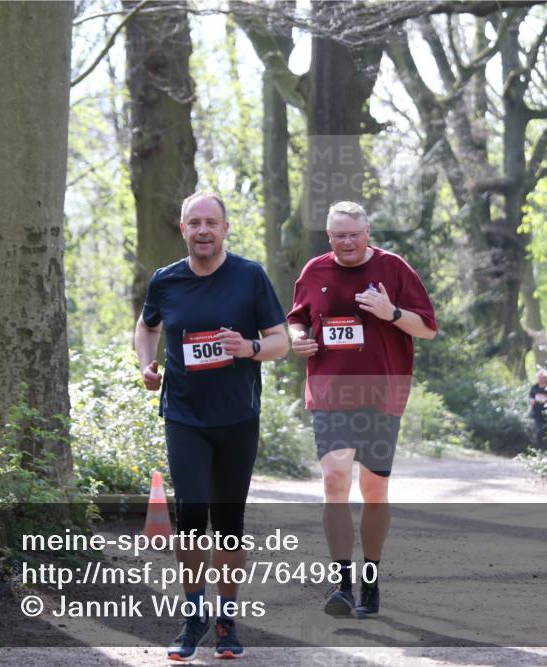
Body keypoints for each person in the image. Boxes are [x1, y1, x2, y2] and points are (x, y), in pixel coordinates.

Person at [134, 191, 288, 660]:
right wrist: (147, 364)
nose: (202, 230)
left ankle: (226, 616)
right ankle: (193, 612)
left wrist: (251, 349)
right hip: (184, 414)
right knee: (191, 515)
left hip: (238, 416)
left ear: (225, 229)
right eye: (194, 222)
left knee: (227, 523)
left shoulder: (250, 277)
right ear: (183, 229)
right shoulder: (166, 281)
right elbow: (147, 326)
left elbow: (281, 340)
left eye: (211, 222)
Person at [288, 201, 437, 619]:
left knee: (374, 491)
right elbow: (296, 319)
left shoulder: (394, 269)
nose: (347, 241)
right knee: (335, 480)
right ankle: (342, 584)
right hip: (330, 393)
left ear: (368, 232)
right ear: (328, 237)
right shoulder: (314, 272)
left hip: (382, 393)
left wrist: (391, 313)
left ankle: (370, 577)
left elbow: (426, 328)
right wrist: (298, 337)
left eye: (354, 233)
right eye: (339, 235)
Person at [528, 369, 547, 449]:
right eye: (539, 377)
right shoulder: (534, 388)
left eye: (542, 377)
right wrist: (532, 401)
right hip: (537, 414)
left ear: (545, 378)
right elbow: (530, 398)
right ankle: (539, 449)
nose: (540, 379)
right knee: (539, 431)